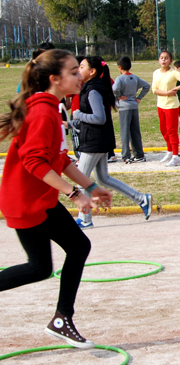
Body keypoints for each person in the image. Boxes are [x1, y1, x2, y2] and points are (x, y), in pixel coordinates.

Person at [0, 49, 114, 349]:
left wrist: (91, 187)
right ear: (55, 79)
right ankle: (62, 318)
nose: (80, 75)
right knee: (39, 268)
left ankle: (62, 319)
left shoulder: (53, 108)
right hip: (26, 201)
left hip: (41, 199)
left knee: (78, 246)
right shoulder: (41, 112)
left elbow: (59, 159)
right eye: (74, 71)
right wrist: (75, 194)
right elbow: (34, 163)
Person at [71, 56, 153, 229]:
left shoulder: (93, 89)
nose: (79, 69)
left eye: (82, 66)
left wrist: (78, 115)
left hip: (94, 141)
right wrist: (71, 123)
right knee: (103, 178)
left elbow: (99, 118)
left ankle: (85, 219)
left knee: (82, 180)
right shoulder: (92, 87)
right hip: (98, 139)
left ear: (92, 71)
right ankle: (141, 198)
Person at [152, 51, 180, 166]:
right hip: (161, 105)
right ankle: (169, 152)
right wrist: (167, 93)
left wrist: (175, 90)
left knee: (171, 130)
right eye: (161, 58)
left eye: (166, 58)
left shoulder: (173, 73)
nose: (163, 60)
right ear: (159, 60)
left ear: (170, 61)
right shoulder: (156, 73)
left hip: (171, 106)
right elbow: (154, 89)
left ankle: (176, 157)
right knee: (163, 130)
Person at [113, 56, 151, 163]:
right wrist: (139, 98)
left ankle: (126, 155)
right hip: (134, 106)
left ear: (120, 67)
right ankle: (139, 154)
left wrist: (119, 96)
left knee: (125, 131)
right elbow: (147, 86)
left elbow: (115, 88)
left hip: (124, 107)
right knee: (135, 131)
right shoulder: (134, 77)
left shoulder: (120, 78)